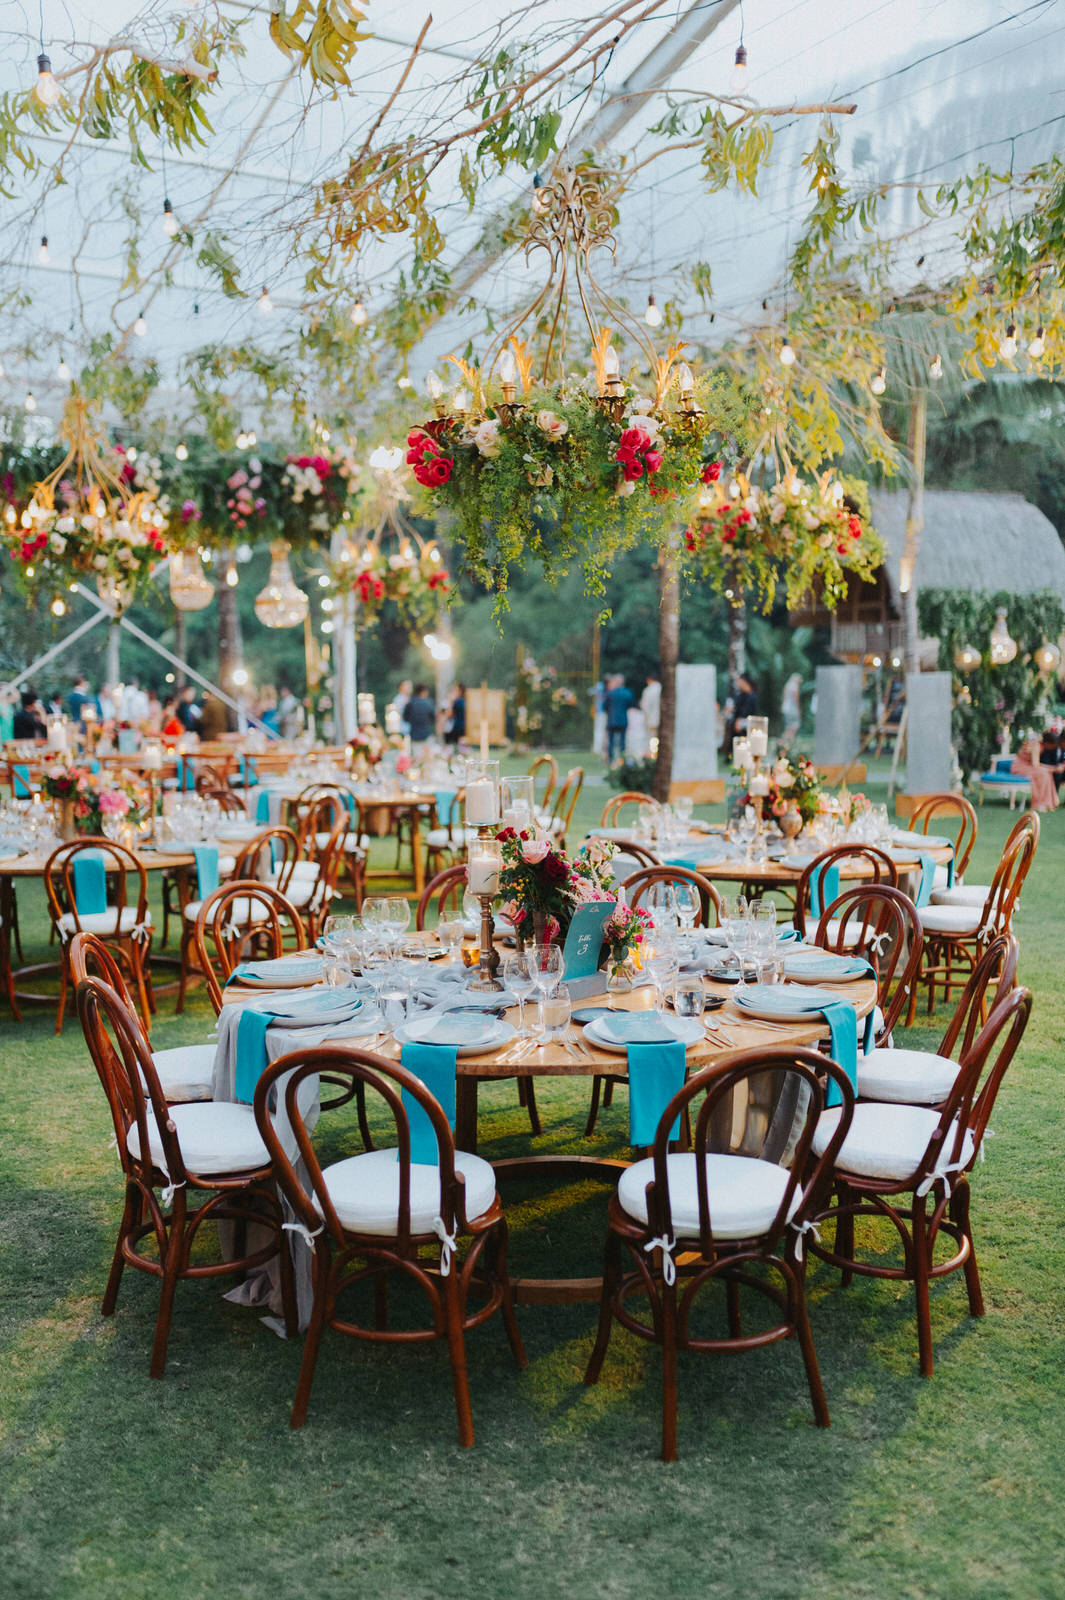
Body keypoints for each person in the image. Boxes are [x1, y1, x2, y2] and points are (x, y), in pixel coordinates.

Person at [1011, 735, 1059, 812]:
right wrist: (1053, 769)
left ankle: (1047, 802)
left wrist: (1051, 769)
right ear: (1048, 743)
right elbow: (1036, 765)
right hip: (1020, 767)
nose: (1054, 747)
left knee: (1047, 773)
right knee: (1042, 774)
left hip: (1028, 766)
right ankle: (1038, 804)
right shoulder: (1036, 745)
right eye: (1053, 745)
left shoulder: (1040, 745)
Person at [603, 673, 634, 764]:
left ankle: (611, 760)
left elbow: (604, 706)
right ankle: (622, 759)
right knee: (622, 742)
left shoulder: (610, 693)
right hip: (623, 720)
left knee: (611, 741)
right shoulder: (627, 693)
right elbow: (630, 705)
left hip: (611, 720)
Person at [640, 673, 661, 746]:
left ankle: (653, 752)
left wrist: (646, 719)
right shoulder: (662, 689)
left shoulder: (648, 690)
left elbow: (645, 706)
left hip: (651, 719)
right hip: (663, 720)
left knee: (652, 739)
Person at [781, 672, 803, 744]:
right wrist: (798, 710)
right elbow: (796, 700)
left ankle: (784, 741)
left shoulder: (787, 685)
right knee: (795, 725)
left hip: (785, 708)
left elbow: (783, 697)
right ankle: (790, 740)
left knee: (788, 726)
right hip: (792, 708)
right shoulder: (795, 687)